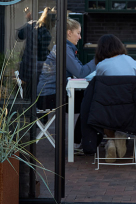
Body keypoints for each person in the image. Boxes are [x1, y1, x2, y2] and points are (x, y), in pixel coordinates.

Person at [36, 19, 96, 149]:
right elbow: (80, 72)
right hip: (49, 98)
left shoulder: (66, 48)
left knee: (91, 99)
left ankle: (81, 140)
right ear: (69, 33)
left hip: (51, 94)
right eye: (78, 33)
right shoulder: (64, 49)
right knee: (92, 101)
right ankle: (79, 141)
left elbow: (79, 70)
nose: (80, 37)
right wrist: (97, 60)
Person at [91, 34, 136, 161]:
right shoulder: (129, 60)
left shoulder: (101, 65)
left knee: (101, 106)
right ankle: (121, 134)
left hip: (108, 111)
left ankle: (111, 141)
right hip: (130, 109)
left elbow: (95, 81)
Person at [17, 7, 55, 98]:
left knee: (28, 93)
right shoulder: (45, 33)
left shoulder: (32, 25)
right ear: (52, 22)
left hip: (26, 65)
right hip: (36, 69)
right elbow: (42, 56)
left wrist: (28, 22)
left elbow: (20, 36)